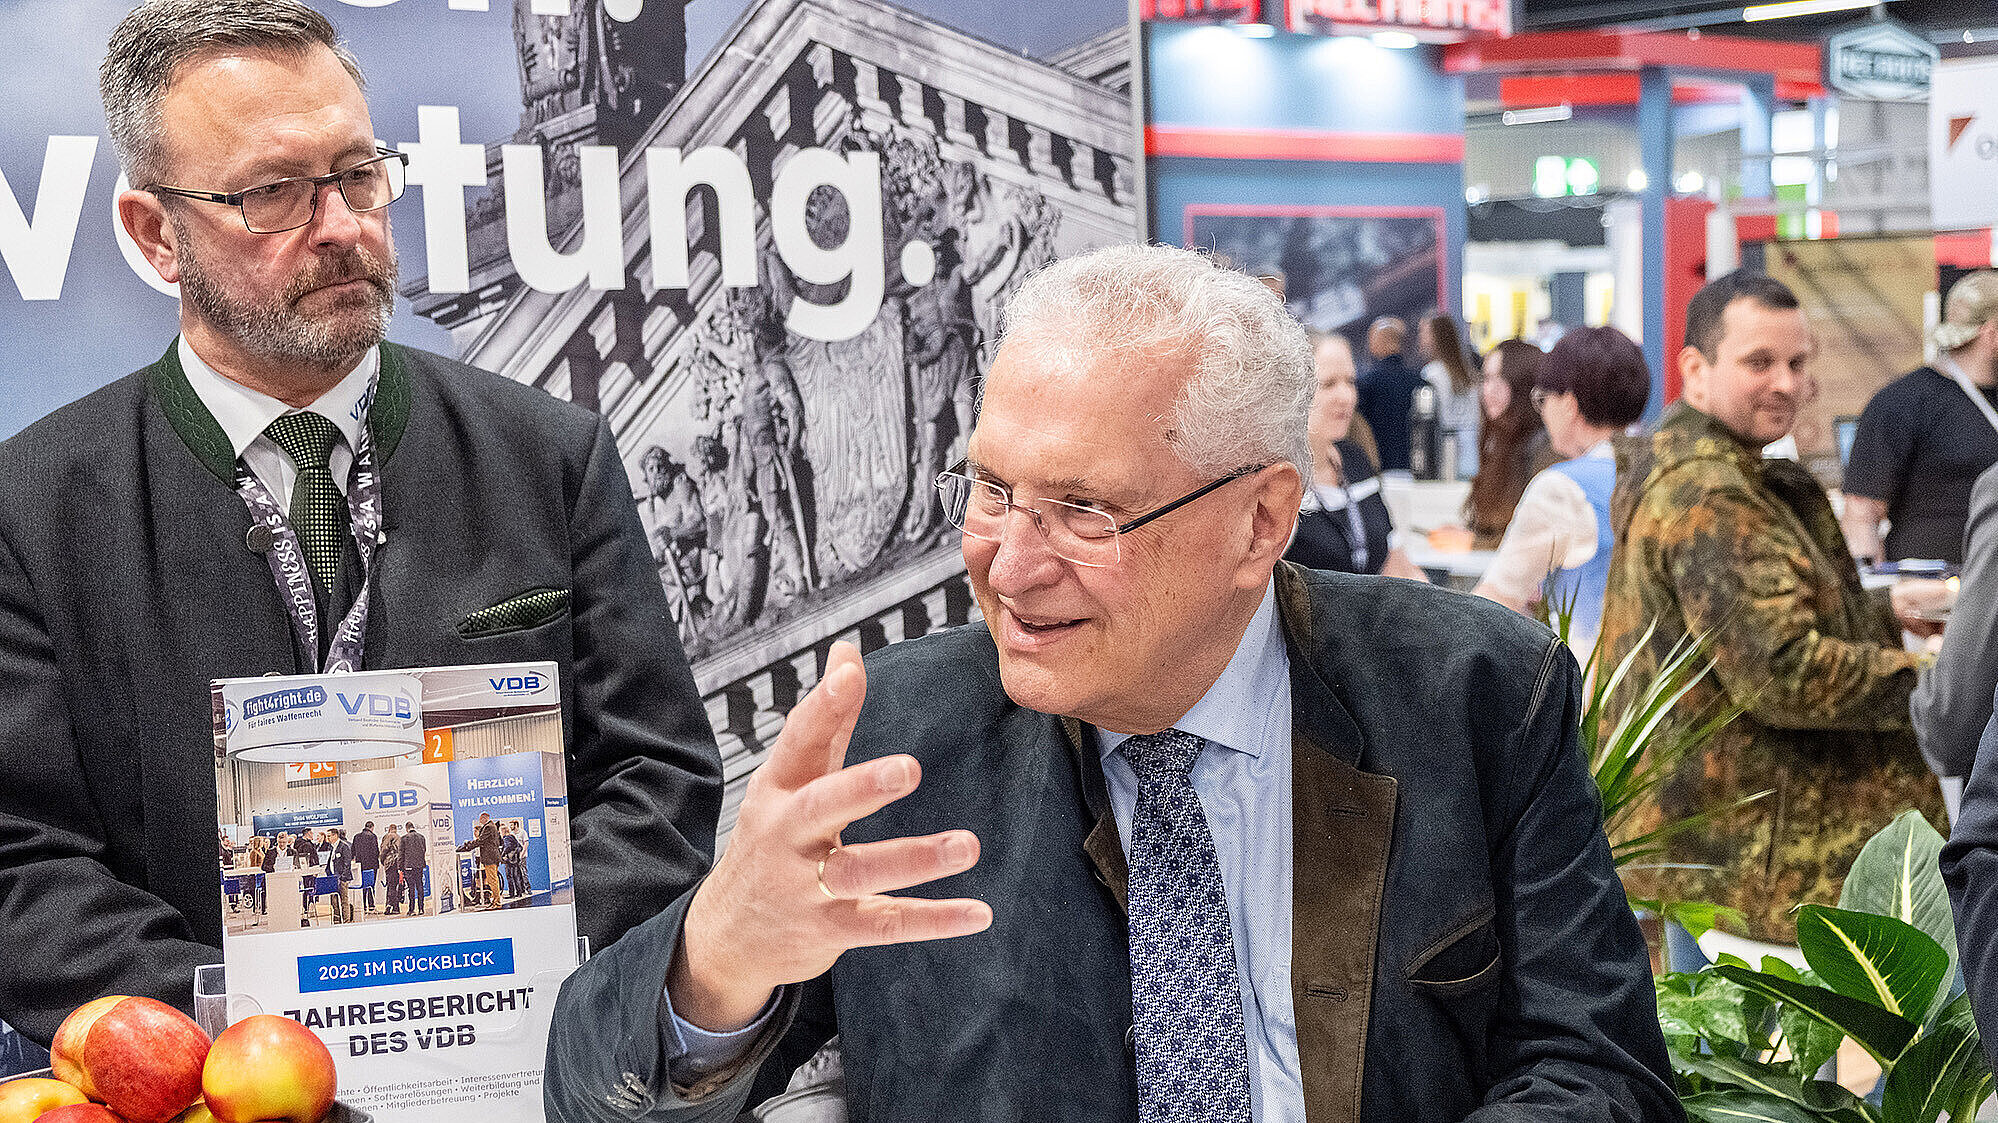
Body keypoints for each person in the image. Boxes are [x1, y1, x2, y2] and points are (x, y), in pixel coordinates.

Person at [543, 244, 1676, 1123]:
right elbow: (588, 1089)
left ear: (1261, 521)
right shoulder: (891, 740)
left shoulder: (1472, 695)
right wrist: (715, 962)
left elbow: (1597, 1065)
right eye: (990, 489)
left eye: (1083, 509)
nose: (1009, 561)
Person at [0, 0, 724, 1043]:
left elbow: (660, 784)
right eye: (273, 194)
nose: (342, 226)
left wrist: (498, 982)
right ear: (155, 234)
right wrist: (265, 1027)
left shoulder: (549, 457)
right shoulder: (33, 513)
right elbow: (24, 866)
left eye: (357, 174)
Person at [1598, 270, 1947, 948]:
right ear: (1696, 369)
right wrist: (1936, 679)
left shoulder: (1711, 471)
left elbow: (1741, 633)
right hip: (1748, 859)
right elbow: (1784, 670)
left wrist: (1880, 611)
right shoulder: (1713, 495)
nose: (1786, 383)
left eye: (1796, 362)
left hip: (1714, 845)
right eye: (1760, 362)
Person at [1475, 326, 1651, 661]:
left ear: (1569, 404)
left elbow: (1492, 603)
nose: (1543, 411)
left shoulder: (1563, 489)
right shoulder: (1665, 467)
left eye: (1544, 399)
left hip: (1592, 690)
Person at [1842, 270, 1998, 566]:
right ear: (1990, 334)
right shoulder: (1903, 402)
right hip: (1936, 594)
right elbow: (1862, 511)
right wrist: (1878, 596)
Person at [1284, 333, 1429, 581]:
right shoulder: (1277, 480)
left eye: (1350, 381)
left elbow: (1396, 560)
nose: (1346, 396)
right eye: (1328, 384)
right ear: (1292, 392)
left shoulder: (1355, 459)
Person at [1464, 339, 1557, 548]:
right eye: (1486, 379)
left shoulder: (1545, 448)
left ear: (1524, 385)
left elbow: (1537, 538)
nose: (1489, 391)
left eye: (1501, 380)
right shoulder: (1499, 443)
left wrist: (1471, 542)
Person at [1354, 316, 1426, 473]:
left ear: (1377, 343)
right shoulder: (1421, 385)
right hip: (1416, 473)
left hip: (1376, 471)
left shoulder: (1366, 385)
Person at [1419, 312, 1479, 478]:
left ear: (1436, 337)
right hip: (1473, 453)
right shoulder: (1470, 373)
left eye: (1424, 332)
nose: (1421, 338)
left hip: (1446, 454)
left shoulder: (1431, 374)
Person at [458, 812, 503, 910]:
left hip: (490, 857)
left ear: (484, 818)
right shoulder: (492, 826)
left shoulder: (488, 827)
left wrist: (467, 846)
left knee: (492, 880)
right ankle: (495, 901)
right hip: (492, 857)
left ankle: (497, 902)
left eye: (480, 819)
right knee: (493, 880)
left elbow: (480, 840)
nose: (480, 821)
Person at [400, 821, 429, 916]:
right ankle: (421, 908)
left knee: (411, 888)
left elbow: (401, 854)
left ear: (406, 829)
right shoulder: (422, 837)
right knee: (420, 887)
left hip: (408, 866)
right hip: (419, 866)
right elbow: (424, 850)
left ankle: (411, 909)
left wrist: (400, 867)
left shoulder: (404, 838)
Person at [352, 820, 380, 914]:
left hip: (360, 866)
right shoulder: (373, 836)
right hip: (372, 866)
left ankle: (363, 907)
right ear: (372, 827)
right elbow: (376, 852)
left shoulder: (356, 837)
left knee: (362, 886)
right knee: (371, 886)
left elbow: (353, 851)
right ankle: (371, 906)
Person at [328, 828, 354, 924]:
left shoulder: (344, 846)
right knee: (334, 901)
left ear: (335, 836)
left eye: (329, 836)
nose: (328, 838)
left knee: (344, 901)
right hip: (333, 878)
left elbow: (347, 864)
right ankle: (337, 920)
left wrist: (343, 877)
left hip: (342, 878)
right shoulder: (331, 847)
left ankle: (346, 921)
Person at [381, 824, 403, 916]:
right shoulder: (399, 837)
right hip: (398, 864)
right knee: (395, 885)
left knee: (391, 886)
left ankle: (389, 906)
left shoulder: (388, 836)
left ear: (389, 829)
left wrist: (382, 860)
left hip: (390, 863)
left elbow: (384, 850)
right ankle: (396, 908)